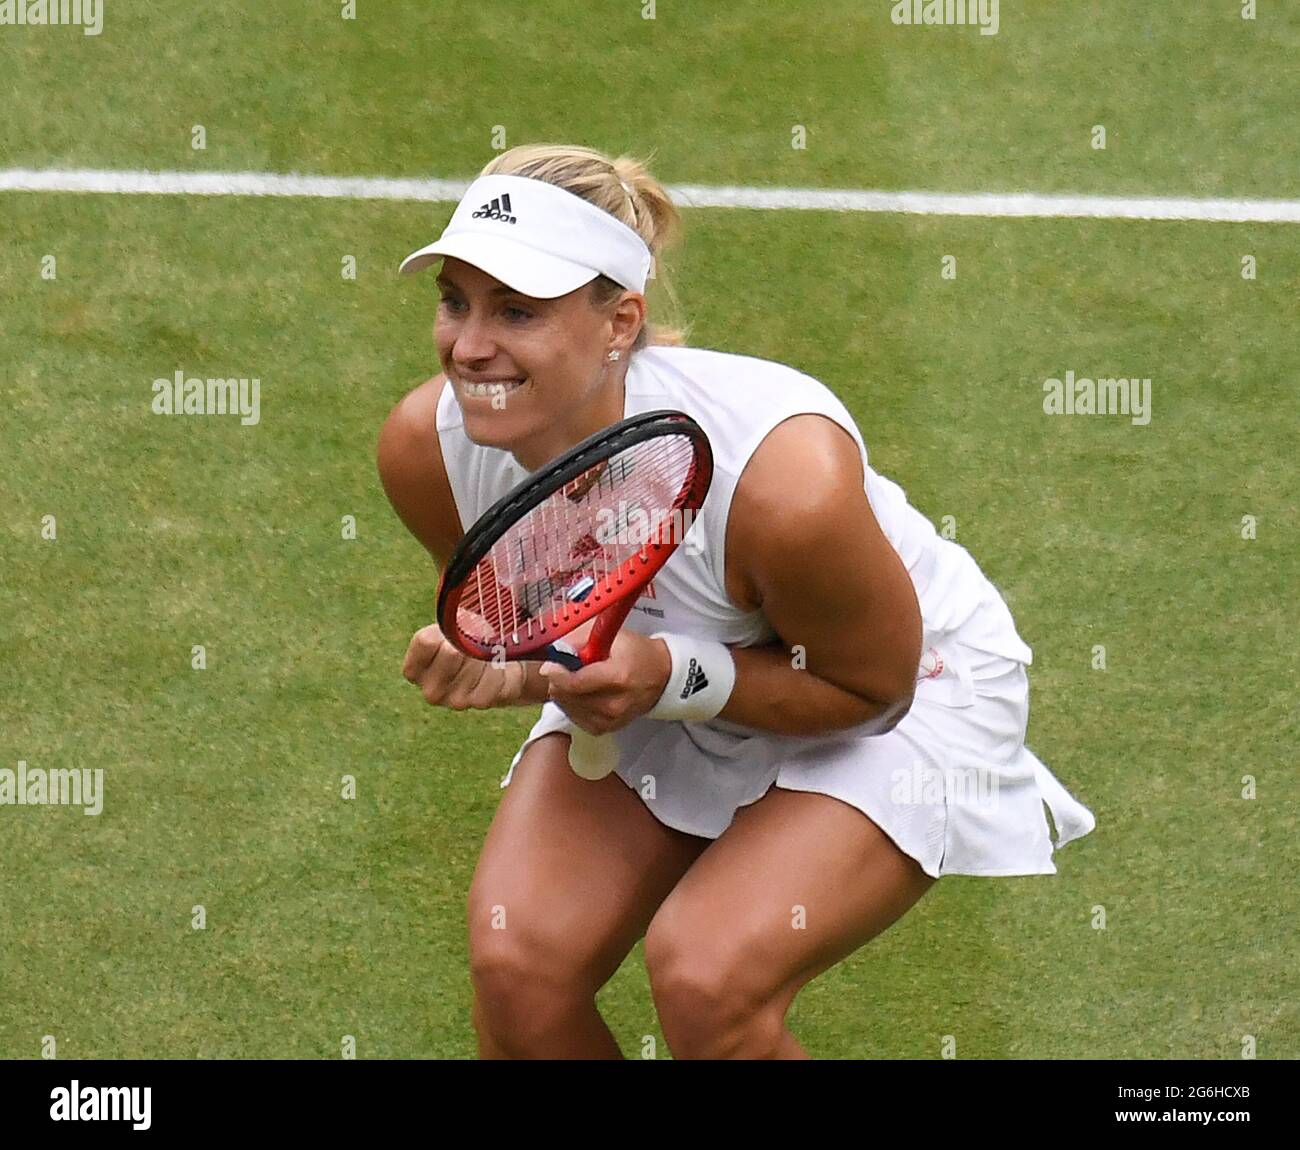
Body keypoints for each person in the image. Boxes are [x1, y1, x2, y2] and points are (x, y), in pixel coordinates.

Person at [378, 143, 1096, 1060]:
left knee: (706, 976)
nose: (470, 346)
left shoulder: (782, 484)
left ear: (619, 323)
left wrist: (667, 675)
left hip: (900, 683)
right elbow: (556, 636)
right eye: (455, 301)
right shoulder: (425, 451)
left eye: (516, 311)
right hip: (676, 667)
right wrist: (516, 669)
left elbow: (872, 689)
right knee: (518, 967)